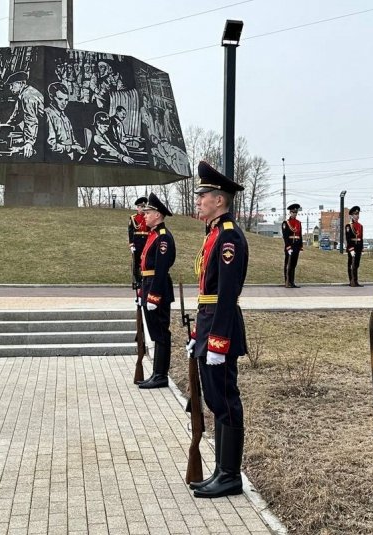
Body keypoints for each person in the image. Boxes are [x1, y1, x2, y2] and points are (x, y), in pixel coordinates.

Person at [188, 161, 248, 499]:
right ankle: (221, 470)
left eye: (203, 196)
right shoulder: (214, 234)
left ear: (220, 201)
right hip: (209, 323)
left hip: (220, 327)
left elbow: (225, 294)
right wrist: (199, 333)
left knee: (225, 400)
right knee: (215, 398)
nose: (198, 202)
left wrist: (217, 341)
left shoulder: (228, 237)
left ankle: (230, 475)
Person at [137, 193, 176, 389]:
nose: (144, 215)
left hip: (156, 289)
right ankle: (156, 373)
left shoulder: (163, 238)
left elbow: (160, 270)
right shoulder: (153, 234)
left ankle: (161, 375)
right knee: (155, 333)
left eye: (148, 212)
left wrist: (153, 295)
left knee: (161, 333)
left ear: (158, 215)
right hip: (149, 285)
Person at [2, 71, 43, 158]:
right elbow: (16, 115)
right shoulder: (23, 94)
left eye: (12, 85)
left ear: (21, 84)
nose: (10, 88)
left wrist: (29, 142)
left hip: (44, 129)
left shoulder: (28, 96)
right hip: (38, 128)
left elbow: (31, 119)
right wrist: (6, 127)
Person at [45, 82, 85, 159]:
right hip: (57, 160)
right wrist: (73, 147)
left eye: (66, 100)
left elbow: (73, 140)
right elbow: (51, 146)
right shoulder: (47, 114)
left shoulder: (65, 117)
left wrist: (79, 147)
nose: (64, 103)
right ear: (51, 97)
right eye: (60, 99)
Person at [128, 196, 149, 289]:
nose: (143, 209)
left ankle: (145, 279)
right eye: (141, 207)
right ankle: (138, 280)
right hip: (137, 242)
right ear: (138, 207)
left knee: (145, 261)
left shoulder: (148, 216)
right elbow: (130, 232)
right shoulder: (133, 218)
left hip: (146, 241)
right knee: (136, 262)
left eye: (144, 206)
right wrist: (131, 244)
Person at [281, 203, 303, 287]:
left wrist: (300, 246)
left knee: (293, 264)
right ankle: (287, 281)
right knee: (288, 264)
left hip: (296, 246)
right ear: (290, 212)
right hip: (289, 246)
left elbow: (300, 234)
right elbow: (285, 236)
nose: (294, 214)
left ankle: (292, 282)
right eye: (293, 212)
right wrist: (288, 247)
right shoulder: (286, 223)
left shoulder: (298, 223)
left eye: (296, 213)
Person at [345, 205, 363, 287]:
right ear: (352, 215)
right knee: (351, 265)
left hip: (358, 247)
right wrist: (351, 249)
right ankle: (352, 281)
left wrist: (361, 249)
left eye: (358, 214)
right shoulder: (349, 226)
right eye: (355, 214)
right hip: (352, 248)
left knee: (356, 265)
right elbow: (348, 239)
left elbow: (361, 238)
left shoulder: (360, 226)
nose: (357, 216)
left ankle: (356, 281)